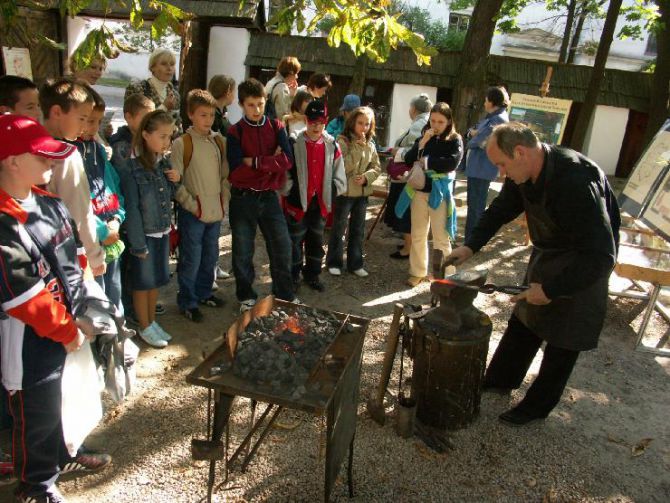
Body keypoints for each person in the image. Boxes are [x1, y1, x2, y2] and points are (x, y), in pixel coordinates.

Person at [447, 122, 620, 426]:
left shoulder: (575, 181)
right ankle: (501, 378)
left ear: (520, 152)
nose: (500, 173)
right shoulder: (523, 173)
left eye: (501, 164)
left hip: (585, 263)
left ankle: (537, 407)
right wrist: (470, 246)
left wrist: (551, 290)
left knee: (564, 338)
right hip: (550, 253)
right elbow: (500, 209)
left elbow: (602, 255)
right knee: (525, 318)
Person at [0, 114, 111, 503]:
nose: (51, 161)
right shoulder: (3, 221)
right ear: (12, 160)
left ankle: (65, 454)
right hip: (29, 337)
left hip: (68, 323)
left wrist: (90, 307)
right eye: (41, 155)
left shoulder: (47, 201)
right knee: (36, 410)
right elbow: (25, 299)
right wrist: (68, 331)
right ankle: (36, 486)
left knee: (66, 396)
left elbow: (74, 259)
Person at [226, 78, 296, 312]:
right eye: (250, 105)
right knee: (243, 250)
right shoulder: (235, 132)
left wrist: (255, 162)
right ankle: (246, 295)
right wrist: (270, 162)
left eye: (260, 104)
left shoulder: (276, 127)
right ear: (241, 105)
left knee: (281, 246)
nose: (256, 110)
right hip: (242, 198)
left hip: (268, 196)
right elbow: (236, 171)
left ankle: (284, 294)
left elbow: (287, 160)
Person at [118, 110, 178, 348]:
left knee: (154, 282)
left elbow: (169, 197)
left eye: (169, 136)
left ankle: (152, 321)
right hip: (144, 236)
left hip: (161, 231)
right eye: (162, 136)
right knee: (142, 284)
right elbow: (132, 208)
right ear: (145, 135)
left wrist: (175, 179)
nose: (167, 142)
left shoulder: (162, 162)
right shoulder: (132, 168)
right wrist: (138, 243)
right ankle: (143, 325)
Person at [171, 89, 228, 322]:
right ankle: (188, 300)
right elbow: (176, 182)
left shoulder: (218, 141)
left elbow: (226, 175)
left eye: (212, 115)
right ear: (191, 114)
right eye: (203, 115)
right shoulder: (181, 143)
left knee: (210, 255)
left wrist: (224, 200)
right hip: (193, 213)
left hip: (215, 211)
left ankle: (204, 292)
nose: (208, 120)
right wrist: (193, 206)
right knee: (191, 258)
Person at [40, 77, 106, 278]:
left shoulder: (27, 147)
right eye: (82, 118)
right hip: (65, 252)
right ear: (57, 112)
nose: (85, 126)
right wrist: (95, 255)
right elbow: (80, 211)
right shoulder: (66, 155)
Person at [74, 87, 126, 315]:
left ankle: (117, 333)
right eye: (86, 120)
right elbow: (74, 201)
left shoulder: (97, 149)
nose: (92, 127)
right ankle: (102, 341)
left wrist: (117, 217)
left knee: (114, 287)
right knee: (95, 294)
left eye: (96, 122)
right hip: (89, 236)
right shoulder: (69, 153)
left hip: (110, 227)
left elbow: (112, 186)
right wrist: (101, 231)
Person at [284, 100, 346, 292]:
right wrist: (290, 191)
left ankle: (312, 274)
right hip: (298, 203)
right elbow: (285, 173)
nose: (316, 126)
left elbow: (339, 174)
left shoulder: (332, 145)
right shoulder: (294, 144)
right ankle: (293, 275)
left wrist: (332, 192)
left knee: (316, 240)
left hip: (319, 204)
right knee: (295, 241)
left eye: (320, 122)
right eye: (312, 122)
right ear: (305, 120)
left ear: (326, 121)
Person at [400, 102, 463, 287]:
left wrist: (426, 161)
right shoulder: (424, 135)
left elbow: (451, 163)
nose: (435, 125)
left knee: (441, 238)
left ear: (449, 121)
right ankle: (417, 271)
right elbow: (409, 158)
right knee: (418, 234)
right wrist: (422, 143)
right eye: (433, 121)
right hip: (419, 191)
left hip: (440, 193)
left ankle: (446, 276)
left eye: (440, 122)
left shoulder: (455, 139)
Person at [326, 106, 380, 278]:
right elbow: (343, 166)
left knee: (358, 229)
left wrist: (366, 177)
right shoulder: (343, 141)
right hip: (345, 193)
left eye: (367, 124)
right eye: (360, 123)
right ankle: (334, 262)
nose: (363, 127)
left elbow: (376, 167)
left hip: (362, 194)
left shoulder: (371, 144)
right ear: (352, 123)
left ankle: (355, 263)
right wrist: (357, 149)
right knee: (339, 228)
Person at [384, 93, 432, 259]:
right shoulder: (424, 121)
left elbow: (414, 149)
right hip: (413, 173)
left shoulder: (421, 123)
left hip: (409, 174)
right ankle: (408, 244)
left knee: (406, 210)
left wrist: (398, 152)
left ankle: (408, 247)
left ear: (413, 109)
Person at [464, 86, 510, 243]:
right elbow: (473, 130)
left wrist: (472, 137)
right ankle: (470, 238)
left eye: (486, 99)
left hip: (482, 168)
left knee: (476, 207)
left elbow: (477, 141)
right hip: (478, 168)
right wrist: (473, 134)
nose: (484, 102)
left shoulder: (498, 120)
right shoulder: (492, 116)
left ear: (492, 101)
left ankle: (472, 241)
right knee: (473, 205)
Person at [125, 48, 181, 130]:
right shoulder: (137, 89)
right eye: (164, 64)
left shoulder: (175, 95)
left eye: (172, 64)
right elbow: (136, 123)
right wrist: (164, 107)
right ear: (152, 68)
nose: (169, 68)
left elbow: (178, 125)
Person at [109, 93, 156, 168]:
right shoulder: (120, 147)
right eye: (145, 118)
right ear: (129, 117)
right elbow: (127, 177)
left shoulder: (150, 140)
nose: (150, 122)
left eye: (152, 118)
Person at [265, 56, 301, 120]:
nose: (297, 77)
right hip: (274, 127)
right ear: (291, 72)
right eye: (296, 73)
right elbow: (283, 116)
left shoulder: (272, 81)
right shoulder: (282, 87)